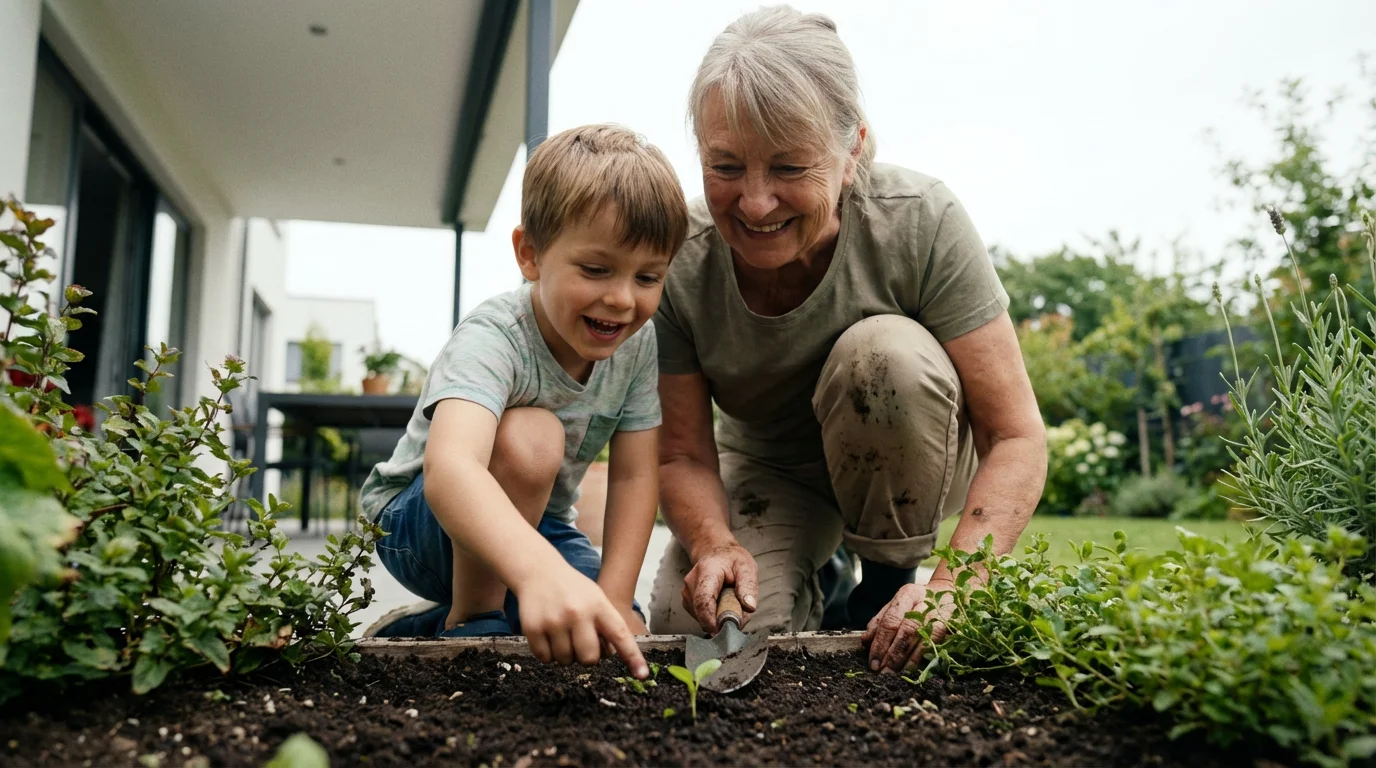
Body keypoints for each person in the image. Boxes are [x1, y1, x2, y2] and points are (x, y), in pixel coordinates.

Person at [648, 6, 1048, 675]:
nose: (753, 202)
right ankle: (825, 580)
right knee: (702, 638)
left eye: (787, 167)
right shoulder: (680, 260)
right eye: (725, 165)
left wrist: (956, 587)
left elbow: (1017, 435)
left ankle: (888, 585)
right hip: (774, 469)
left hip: (914, 456)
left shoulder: (921, 222)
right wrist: (715, 542)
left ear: (852, 148)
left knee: (882, 354)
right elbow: (683, 452)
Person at [360, 124, 688, 679]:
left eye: (648, 277)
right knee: (533, 437)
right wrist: (537, 572)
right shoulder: (495, 336)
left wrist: (613, 595)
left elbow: (635, 477)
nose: (622, 298)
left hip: (537, 526)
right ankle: (473, 619)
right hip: (419, 525)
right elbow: (451, 471)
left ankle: (420, 630)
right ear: (530, 255)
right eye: (596, 269)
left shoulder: (637, 344)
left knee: (599, 624)